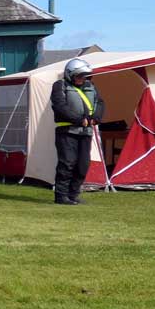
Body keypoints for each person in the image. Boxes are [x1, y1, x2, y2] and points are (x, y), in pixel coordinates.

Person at [50, 57, 105, 205]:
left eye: (85, 76)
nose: (82, 79)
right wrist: (79, 119)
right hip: (66, 131)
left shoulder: (91, 87)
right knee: (67, 164)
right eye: (79, 76)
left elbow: (100, 103)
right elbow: (60, 106)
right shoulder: (59, 86)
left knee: (83, 165)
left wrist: (96, 118)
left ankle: (73, 195)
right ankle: (61, 196)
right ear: (70, 74)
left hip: (85, 133)